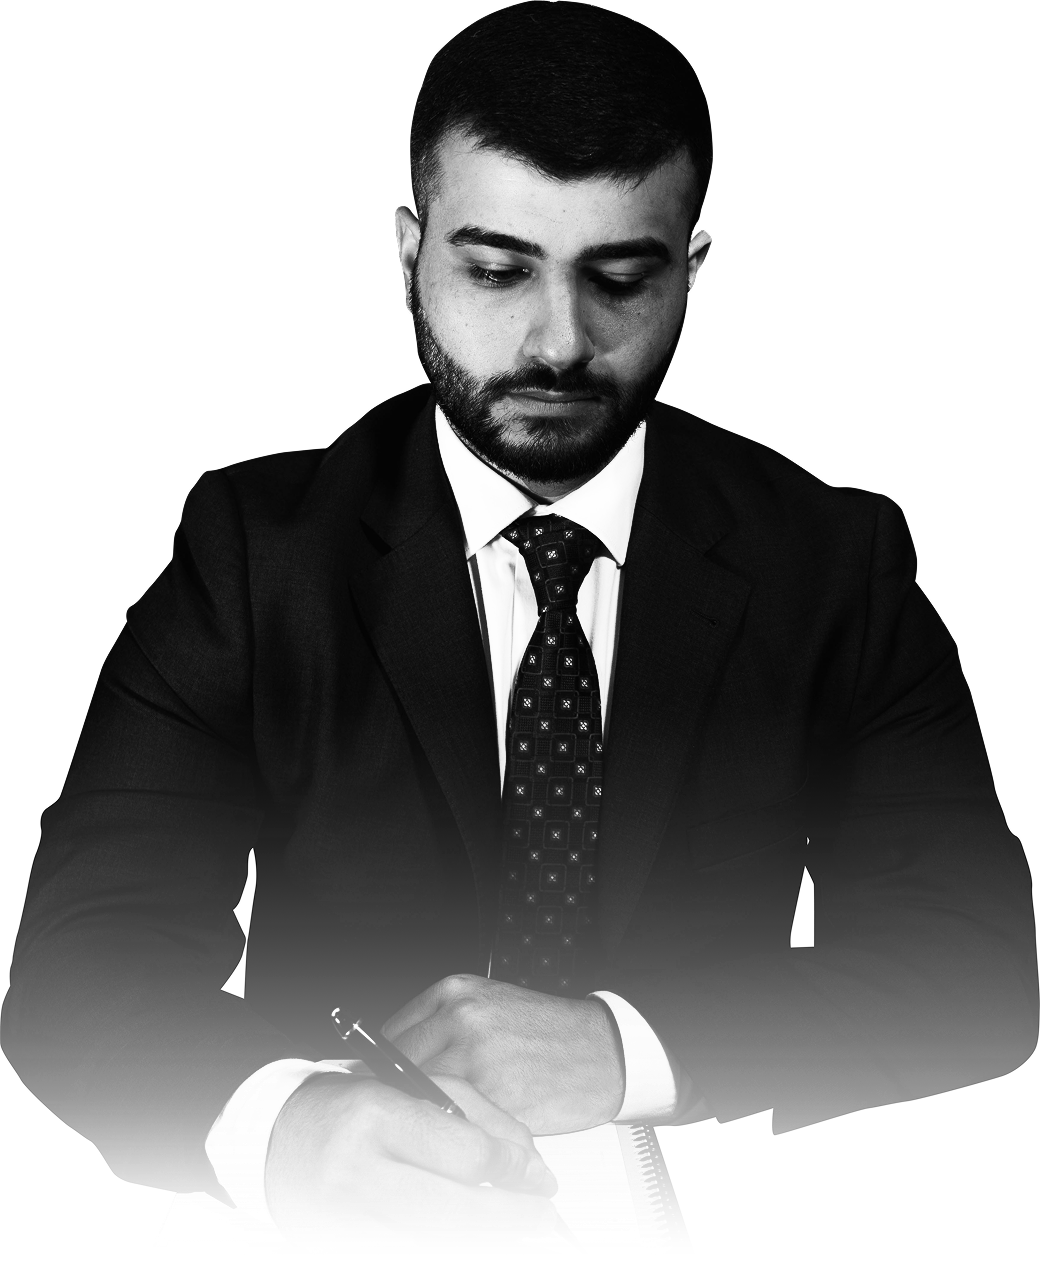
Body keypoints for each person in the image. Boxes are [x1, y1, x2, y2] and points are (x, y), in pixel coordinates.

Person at [3, 0, 1036, 1248]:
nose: (557, 343)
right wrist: (276, 1125)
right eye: (495, 270)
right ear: (407, 257)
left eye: (619, 278)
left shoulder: (836, 562)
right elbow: (84, 950)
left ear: (692, 271)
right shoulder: (251, 550)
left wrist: (622, 1043)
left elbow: (969, 963)